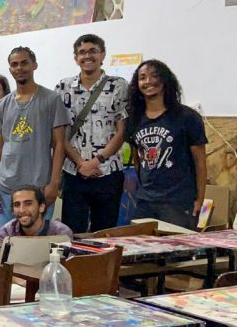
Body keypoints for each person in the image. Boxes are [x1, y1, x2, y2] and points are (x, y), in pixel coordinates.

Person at [0, 47, 69, 231]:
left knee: (37, 243)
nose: (19, 68)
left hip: (39, 187)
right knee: (6, 243)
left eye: (24, 63)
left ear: (34, 65)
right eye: (14, 64)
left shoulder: (51, 100)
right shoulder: (3, 104)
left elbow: (59, 144)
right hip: (6, 188)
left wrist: (54, 183)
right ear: (10, 70)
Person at [54, 34, 129, 233]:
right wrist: (81, 163)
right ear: (75, 57)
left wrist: (95, 162)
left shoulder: (119, 86)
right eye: (82, 52)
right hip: (74, 171)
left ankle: (101, 265)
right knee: (73, 231)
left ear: (102, 54)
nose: (87, 56)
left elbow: (122, 132)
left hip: (108, 171)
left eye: (93, 51)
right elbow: (59, 132)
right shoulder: (63, 87)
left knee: (104, 233)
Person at [126, 59, 207, 229]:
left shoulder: (187, 117)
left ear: (165, 80)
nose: (148, 81)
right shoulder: (134, 119)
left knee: (176, 253)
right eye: (142, 77)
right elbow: (137, 158)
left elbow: (200, 162)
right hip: (145, 202)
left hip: (178, 202)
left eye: (154, 76)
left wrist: (200, 199)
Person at [0, 185, 74, 241]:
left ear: (41, 207)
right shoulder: (6, 233)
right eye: (17, 205)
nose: (21, 210)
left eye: (28, 204)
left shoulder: (60, 233)